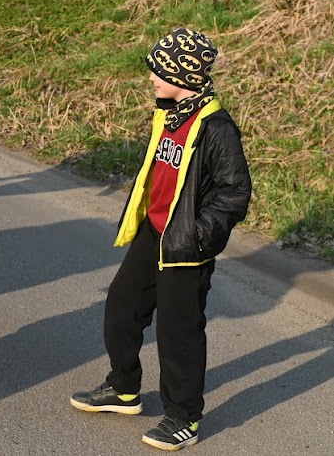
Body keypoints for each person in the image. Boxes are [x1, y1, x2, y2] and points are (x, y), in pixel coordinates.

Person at [70, 27, 250, 451]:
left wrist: (199, 236)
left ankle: (183, 417)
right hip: (154, 232)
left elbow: (234, 193)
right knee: (121, 305)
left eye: (158, 70)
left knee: (179, 331)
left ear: (183, 75)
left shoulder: (217, 128)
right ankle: (124, 388)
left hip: (186, 244)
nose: (151, 77)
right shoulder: (168, 112)